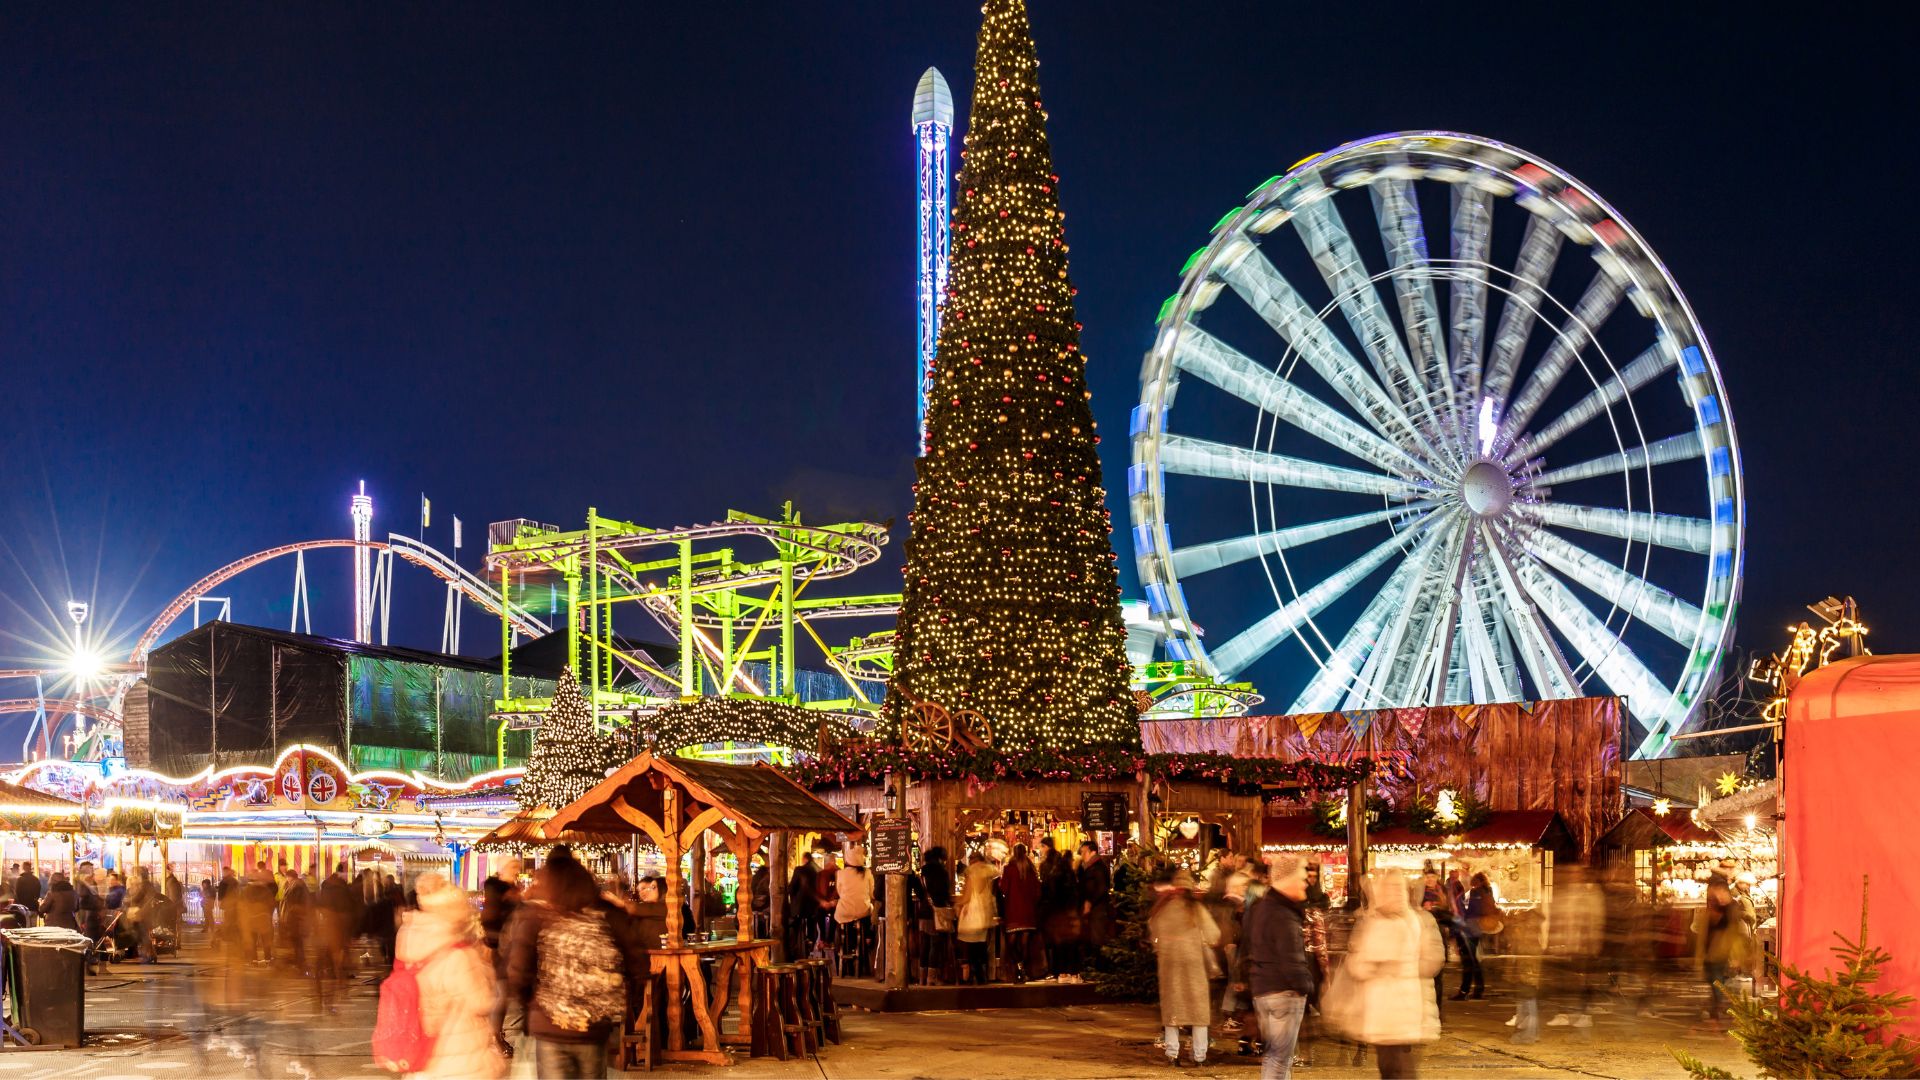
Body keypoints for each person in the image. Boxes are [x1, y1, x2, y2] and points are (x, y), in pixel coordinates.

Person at [504, 851, 648, 1079]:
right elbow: (637, 962)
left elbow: (519, 970)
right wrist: (626, 1001)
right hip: (594, 1027)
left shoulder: (536, 917)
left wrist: (529, 1007)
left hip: (550, 1025)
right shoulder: (607, 915)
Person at [393, 872, 506, 1078]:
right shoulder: (458, 955)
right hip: (459, 1053)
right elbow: (481, 1001)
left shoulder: (410, 940)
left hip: (422, 1048)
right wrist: (486, 967)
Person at [1340, 869, 1444, 1079]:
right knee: (1388, 1067)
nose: (1394, 894)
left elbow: (1433, 960)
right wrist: (1370, 967)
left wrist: (1398, 966)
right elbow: (1356, 962)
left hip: (1410, 1011)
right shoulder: (1371, 922)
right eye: (1389, 889)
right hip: (1381, 1013)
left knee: (1401, 1069)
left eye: (1399, 889)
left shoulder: (1420, 920)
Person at [1244, 853, 1314, 1080]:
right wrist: (1305, 987)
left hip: (1264, 989)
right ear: (1289, 879)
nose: (1306, 882)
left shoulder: (1264, 907)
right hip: (1283, 991)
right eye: (1302, 877)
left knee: (1275, 1057)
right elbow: (1291, 958)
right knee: (1280, 1059)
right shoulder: (1282, 914)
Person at [1150, 868, 1220, 1067]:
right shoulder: (1196, 909)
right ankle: (1199, 1056)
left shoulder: (1163, 908)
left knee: (1172, 1011)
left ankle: (1172, 1054)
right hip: (1193, 965)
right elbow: (1213, 934)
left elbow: (1154, 935)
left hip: (1169, 966)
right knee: (1198, 1012)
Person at [1697, 874, 1751, 1020]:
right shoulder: (1714, 906)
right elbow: (1704, 930)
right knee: (1714, 980)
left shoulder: (1731, 908)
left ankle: (1716, 1009)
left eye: (1716, 890)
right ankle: (1717, 1007)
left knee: (1717, 980)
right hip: (1712, 951)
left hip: (1721, 951)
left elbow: (1735, 933)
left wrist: (1737, 956)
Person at [999, 842, 1042, 982]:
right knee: (1025, 944)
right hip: (1028, 911)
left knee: (1011, 944)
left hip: (1013, 911)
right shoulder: (1031, 869)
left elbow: (1004, 889)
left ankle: (1018, 969)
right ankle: (1024, 970)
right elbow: (1037, 891)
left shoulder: (1009, 868)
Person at [955, 851, 1000, 985]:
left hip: (972, 913)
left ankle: (973, 976)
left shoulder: (972, 871)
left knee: (971, 947)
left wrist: (958, 904)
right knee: (981, 945)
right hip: (985, 912)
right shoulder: (989, 870)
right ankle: (983, 975)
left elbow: (967, 895)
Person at [1451, 872, 1495, 1000]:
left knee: (1468, 962)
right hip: (1477, 930)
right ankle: (1478, 989)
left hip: (1467, 930)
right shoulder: (1487, 892)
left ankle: (1464, 991)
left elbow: (1461, 914)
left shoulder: (1470, 894)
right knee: (1473, 960)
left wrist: (1456, 932)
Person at [834, 846, 874, 976]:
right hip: (863, 912)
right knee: (868, 910)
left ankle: (844, 946)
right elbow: (872, 893)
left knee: (842, 922)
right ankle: (867, 938)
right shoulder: (867, 872)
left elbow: (839, 892)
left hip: (844, 911)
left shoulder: (841, 873)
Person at [918, 847, 955, 983]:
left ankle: (921, 978)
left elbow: (920, 891)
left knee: (924, 944)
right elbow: (944, 891)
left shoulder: (923, 870)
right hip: (936, 911)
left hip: (923, 910)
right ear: (941, 858)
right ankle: (931, 978)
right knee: (935, 944)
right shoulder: (941, 871)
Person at [1077, 841, 1114, 970]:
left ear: (1092, 852)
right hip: (1095, 907)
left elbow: (1101, 888)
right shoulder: (1090, 867)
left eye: (1083, 852)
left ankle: (1102, 968)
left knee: (1098, 938)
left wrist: (1090, 902)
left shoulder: (1097, 867)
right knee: (1094, 938)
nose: (1082, 855)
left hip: (1098, 908)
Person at [786, 849, 821, 957]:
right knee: (812, 927)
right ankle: (810, 946)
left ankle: (794, 951)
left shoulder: (799, 870)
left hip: (800, 908)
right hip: (814, 907)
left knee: (793, 926)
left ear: (804, 859)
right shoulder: (818, 870)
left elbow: (792, 888)